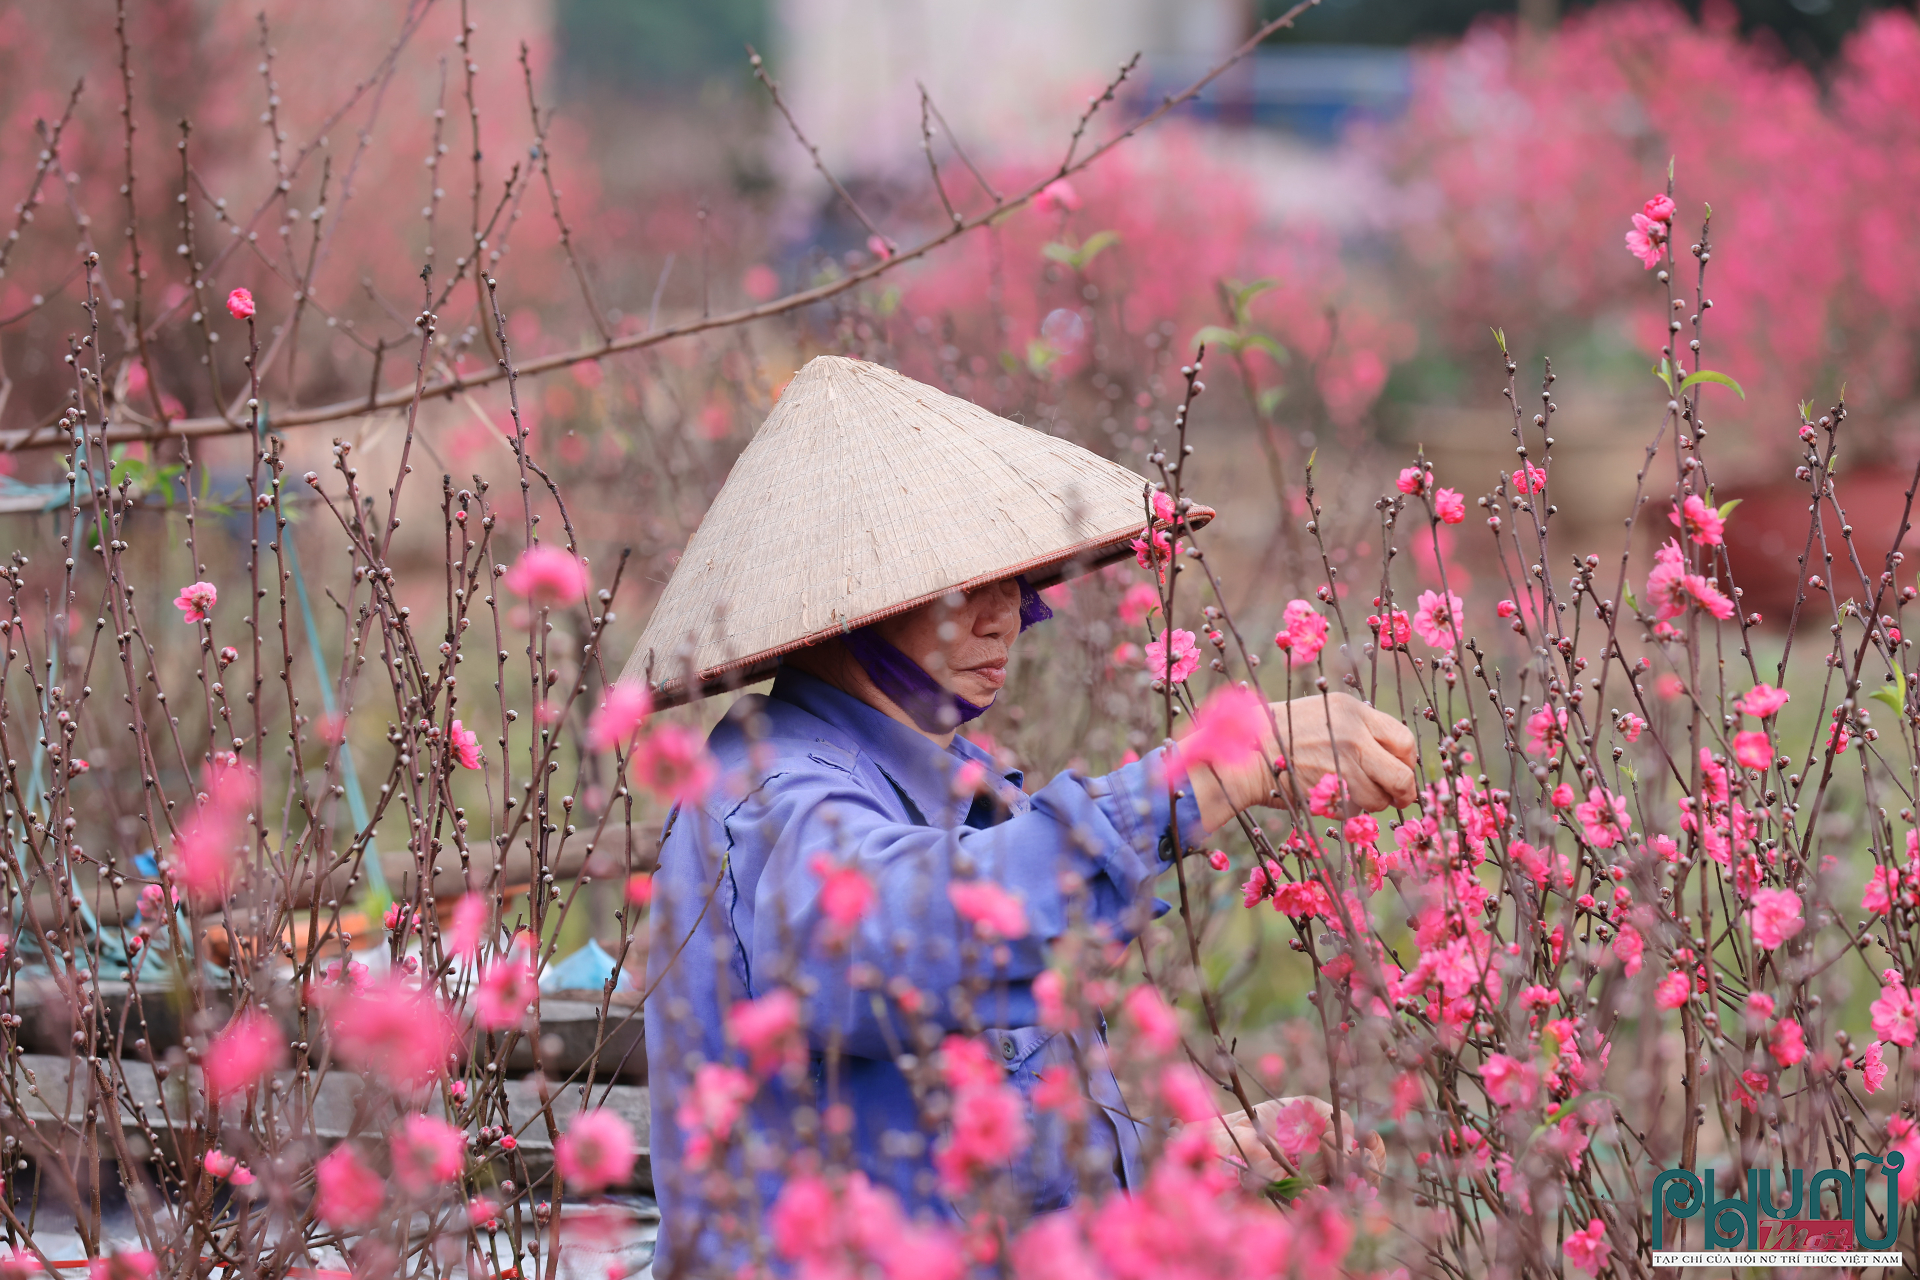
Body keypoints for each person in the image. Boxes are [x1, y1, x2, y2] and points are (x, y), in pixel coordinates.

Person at [626, 356, 1413, 1274]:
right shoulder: (779, 797)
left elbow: (963, 1142)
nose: (1007, 620)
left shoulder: (929, 780)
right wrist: (1217, 768)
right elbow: (918, 929)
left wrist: (1206, 1157)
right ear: (856, 602)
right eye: (963, 588)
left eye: (1014, 583)